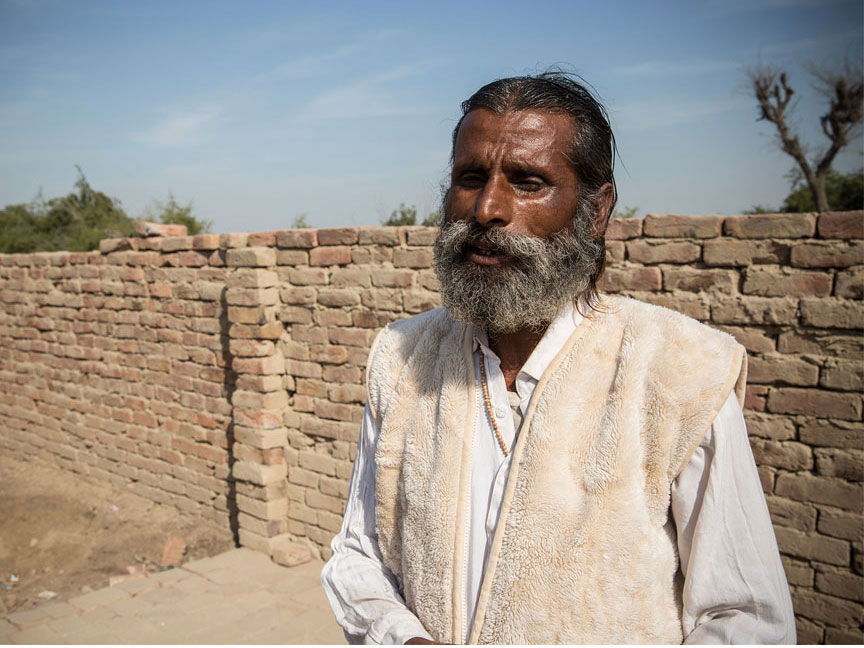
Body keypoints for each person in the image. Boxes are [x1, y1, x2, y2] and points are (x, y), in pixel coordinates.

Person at [320, 73, 795, 644]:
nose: (488, 208)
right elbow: (359, 554)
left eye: (528, 182)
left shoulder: (680, 371)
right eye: (470, 178)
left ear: (595, 211)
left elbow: (745, 618)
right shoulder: (402, 359)